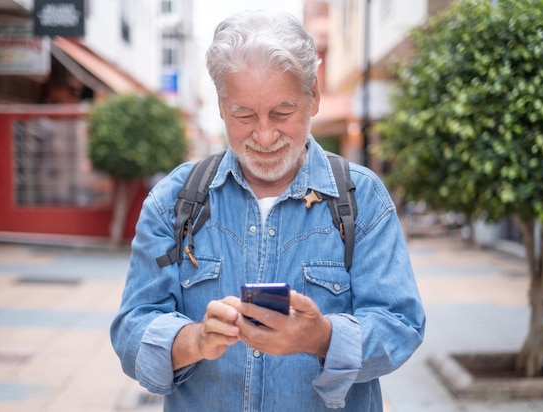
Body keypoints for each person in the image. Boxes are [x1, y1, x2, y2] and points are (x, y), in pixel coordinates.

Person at [110, 9, 425, 411]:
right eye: (244, 115)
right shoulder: (173, 199)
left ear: (313, 100)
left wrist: (322, 336)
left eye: (282, 113)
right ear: (222, 107)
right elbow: (130, 329)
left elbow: (402, 324)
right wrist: (197, 340)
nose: (263, 134)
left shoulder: (362, 198)